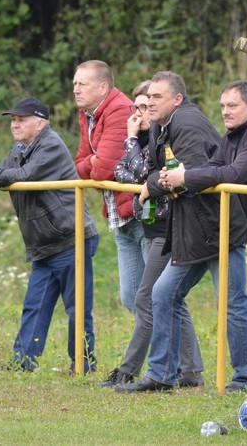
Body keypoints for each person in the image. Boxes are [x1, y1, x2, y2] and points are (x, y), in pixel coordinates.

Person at [116, 71, 247, 394]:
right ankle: (161, 376)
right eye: (148, 97)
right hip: (191, 231)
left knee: (232, 302)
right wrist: (157, 182)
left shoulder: (188, 124)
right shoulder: (161, 125)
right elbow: (159, 172)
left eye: (157, 97)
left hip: (220, 227)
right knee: (162, 293)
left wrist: (158, 184)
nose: (150, 103)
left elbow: (189, 179)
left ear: (177, 100)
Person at [0, 97, 99, 374]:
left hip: (70, 239)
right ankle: (22, 363)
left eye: (21, 120)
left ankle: (83, 366)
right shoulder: (20, 149)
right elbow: (3, 172)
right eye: (13, 120)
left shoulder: (51, 145)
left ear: (40, 124)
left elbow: (25, 175)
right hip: (44, 243)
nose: (14, 125)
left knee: (77, 309)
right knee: (34, 305)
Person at [101, 81, 204, 389]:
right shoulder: (145, 141)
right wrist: (136, 154)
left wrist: (131, 141)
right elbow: (120, 171)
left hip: (166, 230)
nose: (139, 114)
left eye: (146, 107)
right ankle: (190, 371)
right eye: (136, 108)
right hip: (150, 228)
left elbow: (144, 174)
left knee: (149, 298)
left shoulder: (159, 139)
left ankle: (131, 370)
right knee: (166, 299)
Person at [159, 80, 247, 357]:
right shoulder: (231, 136)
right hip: (217, 232)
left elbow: (235, 173)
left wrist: (185, 177)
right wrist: (179, 181)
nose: (225, 111)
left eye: (233, 106)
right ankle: (167, 371)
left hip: (237, 230)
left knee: (245, 303)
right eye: (223, 106)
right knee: (163, 293)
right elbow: (214, 165)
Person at [73, 60, 143, 315]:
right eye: (74, 84)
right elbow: (79, 165)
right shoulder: (87, 114)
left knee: (158, 297)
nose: (76, 89)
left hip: (141, 213)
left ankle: (175, 345)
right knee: (132, 297)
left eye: (82, 84)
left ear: (103, 87)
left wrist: (93, 163)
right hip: (119, 214)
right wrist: (92, 162)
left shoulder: (120, 110)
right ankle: (164, 343)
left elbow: (103, 169)